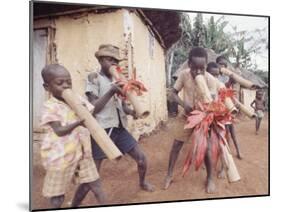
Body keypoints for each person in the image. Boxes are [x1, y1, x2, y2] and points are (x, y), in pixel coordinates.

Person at [85, 44, 154, 192]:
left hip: (120, 128)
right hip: (102, 130)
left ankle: (142, 183)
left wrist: (133, 112)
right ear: (100, 60)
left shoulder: (118, 80)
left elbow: (122, 106)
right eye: (110, 60)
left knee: (141, 159)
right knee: (93, 173)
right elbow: (93, 109)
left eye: (116, 61)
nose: (113, 64)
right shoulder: (94, 78)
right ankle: (78, 201)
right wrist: (111, 91)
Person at [40, 64, 106, 208]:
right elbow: (59, 131)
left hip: (83, 152)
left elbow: (91, 111)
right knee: (58, 197)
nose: (65, 86)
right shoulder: (50, 106)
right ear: (47, 87)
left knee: (96, 185)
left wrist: (87, 115)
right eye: (60, 83)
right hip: (61, 157)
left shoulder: (76, 98)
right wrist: (79, 122)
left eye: (68, 82)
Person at [164, 47, 222, 193]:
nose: (198, 72)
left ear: (206, 65)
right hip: (186, 116)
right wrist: (184, 105)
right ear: (189, 64)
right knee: (176, 145)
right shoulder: (183, 75)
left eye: (201, 68)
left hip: (204, 119)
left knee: (206, 148)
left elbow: (213, 102)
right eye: (194, 67)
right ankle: (169, 174)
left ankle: (210, 178)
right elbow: (173, 94)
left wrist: (206, 110)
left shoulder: (210, 80)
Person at [207, 61, 243, 160]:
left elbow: (227, 88)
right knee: (211, 138)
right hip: (212, 115)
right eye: (212, 75)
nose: (214, 77)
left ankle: (227, 161)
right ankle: (209, 159)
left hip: (224, 113)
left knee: (228, 136)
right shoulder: (205, 85)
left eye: (216, 75)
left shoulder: (221, 83)